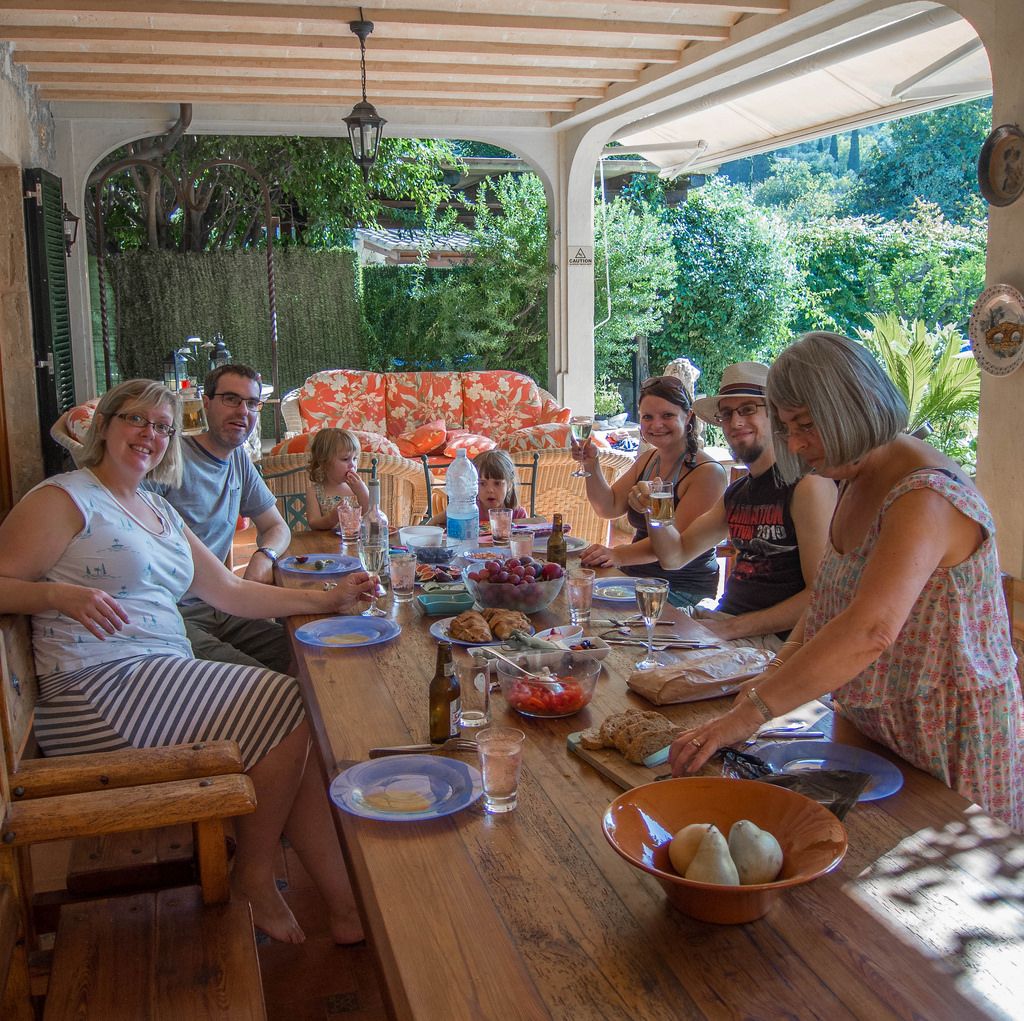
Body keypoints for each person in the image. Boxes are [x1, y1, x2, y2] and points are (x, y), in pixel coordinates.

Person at [0, 379, 380, 942]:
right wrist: (56, 595)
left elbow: (228, 590)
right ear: (105, 425)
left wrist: (328, 600)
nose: (149, 435)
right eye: (137, 420)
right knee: (290, 707)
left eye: (162, 427)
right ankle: (253, 875)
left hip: (153, 675)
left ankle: (347, 910)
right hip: (94, 689)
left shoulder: (156, 508)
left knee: (297, 720)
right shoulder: (65, 498)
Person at [667, 334, 1024, 831]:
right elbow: (830, 601)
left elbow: (869, 629)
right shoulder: (853, 479)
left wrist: (751, 713)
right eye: (788, 427)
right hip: (870, 722)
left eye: (807, 426)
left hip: (946, 734)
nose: (795, 444)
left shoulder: (926, 496)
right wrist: (776, 672)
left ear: (853, 406)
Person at [646, 362, 837, 647]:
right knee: (622, 636)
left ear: (776, 415)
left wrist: (731, 629)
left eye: (748, 409)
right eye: (727, 414)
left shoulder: (808, 486)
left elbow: (822, 596)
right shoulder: (738, 492)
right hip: (726, 624)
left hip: (774, 642)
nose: (735, 423)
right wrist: (655, 507)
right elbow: (674, 557)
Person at [146, 363, 292, 673]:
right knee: (265, 685)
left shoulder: (237, 458)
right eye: (231, 399)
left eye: (252, 403)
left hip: (225, 606)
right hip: (177, 615)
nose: (243, 411)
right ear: (206, 403)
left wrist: (264, 556)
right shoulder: (169, 457)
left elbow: (278, 527)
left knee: (309, 655)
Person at [578, 375, 728, 609]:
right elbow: (608, 507)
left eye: (667, 415)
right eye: (648, 417)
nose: (656, 425)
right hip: (635, 577)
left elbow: (672, 547)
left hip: (680, 588)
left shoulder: (707, 473)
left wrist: (617, 554)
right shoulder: (648, 459)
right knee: (576, 596)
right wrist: (592, 465)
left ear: (687, 416)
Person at [429, 448, 529, 526]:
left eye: (497, 483)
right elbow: (431, 524)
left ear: (509, 484)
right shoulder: (467, 510)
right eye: (482, 483)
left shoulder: (518, 514)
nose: (490, 490)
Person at [304, 427, 370, 530]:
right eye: (345, 459)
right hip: (325, 543)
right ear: (324, 462)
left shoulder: (357, 488)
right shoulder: (315, 492)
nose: (352, 464)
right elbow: (313, 523)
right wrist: (331, 519)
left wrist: (363, 493)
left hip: (355, 542)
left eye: (355, 458)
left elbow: (371, 516)